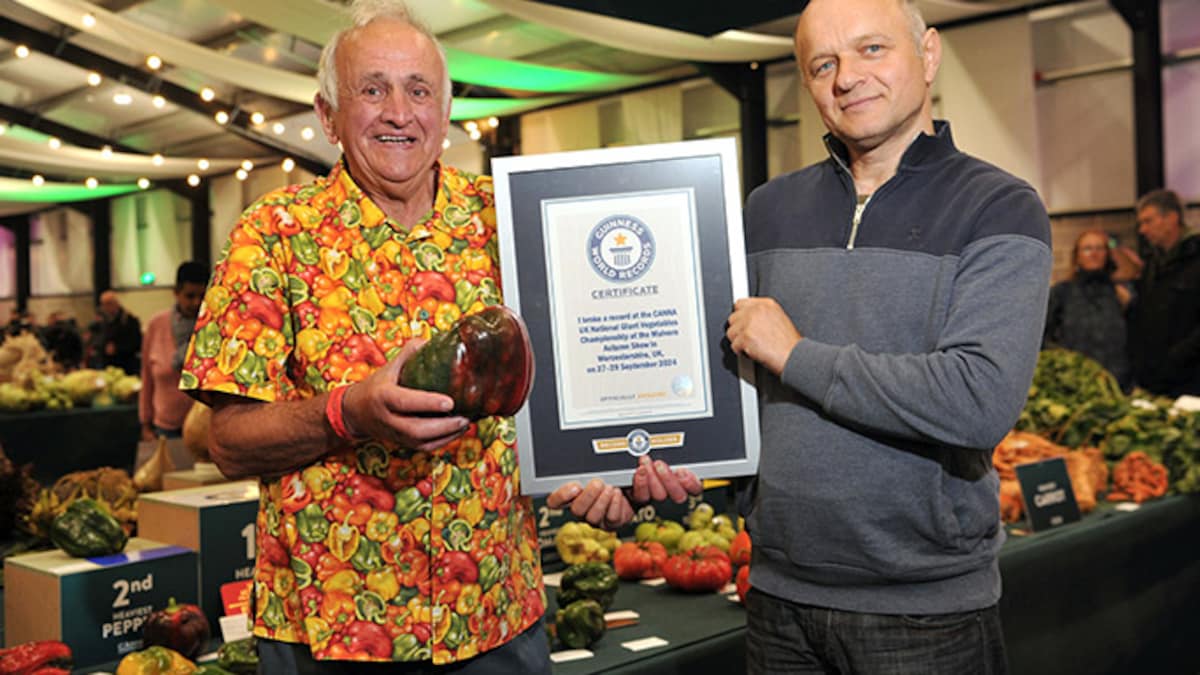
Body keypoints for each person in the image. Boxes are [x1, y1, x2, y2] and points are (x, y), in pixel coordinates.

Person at [181, 2, 700, 672]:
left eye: (419, 90)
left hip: (494, 618)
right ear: (327, 115)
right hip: (333, 629)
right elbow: (226, 441)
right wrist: (349, 412)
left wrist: (604, 470)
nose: (399, 111)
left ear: (445, 109)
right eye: (372, 89)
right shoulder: (274, 233)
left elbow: (579, 387)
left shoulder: (510, 219)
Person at [724, 0, 1051, 672]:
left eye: (872, 49)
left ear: (928, 55)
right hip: (776, 599)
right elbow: (734, 387)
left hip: (925, 611)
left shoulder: (1000, 206)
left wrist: (796, 355)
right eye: (823, 63)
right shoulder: (767, 210)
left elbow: (978, 398)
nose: (846, 77)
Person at [1127, 189, 1200, 397]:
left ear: (1171, 218)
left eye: (1148, 221)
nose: (1142, 230)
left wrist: (1176, 357)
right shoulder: (1152, 265)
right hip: (1156, 380)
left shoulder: (1196, 258)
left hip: (1191, 380)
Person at [1043, 230, 1133, 389]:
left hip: (1118, 381)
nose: (1094, 253)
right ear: (1077, 256)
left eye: (1099, 248)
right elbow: (1044, 336)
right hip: (1076, 381)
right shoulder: (1062, 293)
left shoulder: (1122, 293)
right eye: (1087, 248)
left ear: (1107, 254)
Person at [140, 262, 208, 440]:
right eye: (190, 296)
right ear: (176, 293)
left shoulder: (216, 327)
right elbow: (147, 376)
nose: (196, 302)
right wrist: (145, 424)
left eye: (202, 296)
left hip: (207, 429)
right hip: (166, 429)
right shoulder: (156, 325)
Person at [97, 289, 141, 375]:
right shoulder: (103, 322)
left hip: (126, 366)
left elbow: (137, 343)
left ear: (116, 303)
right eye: (103, 304)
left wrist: (117, 349)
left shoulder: (129, 320)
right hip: (108, 367)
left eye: (108, 303)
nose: (105, 307)